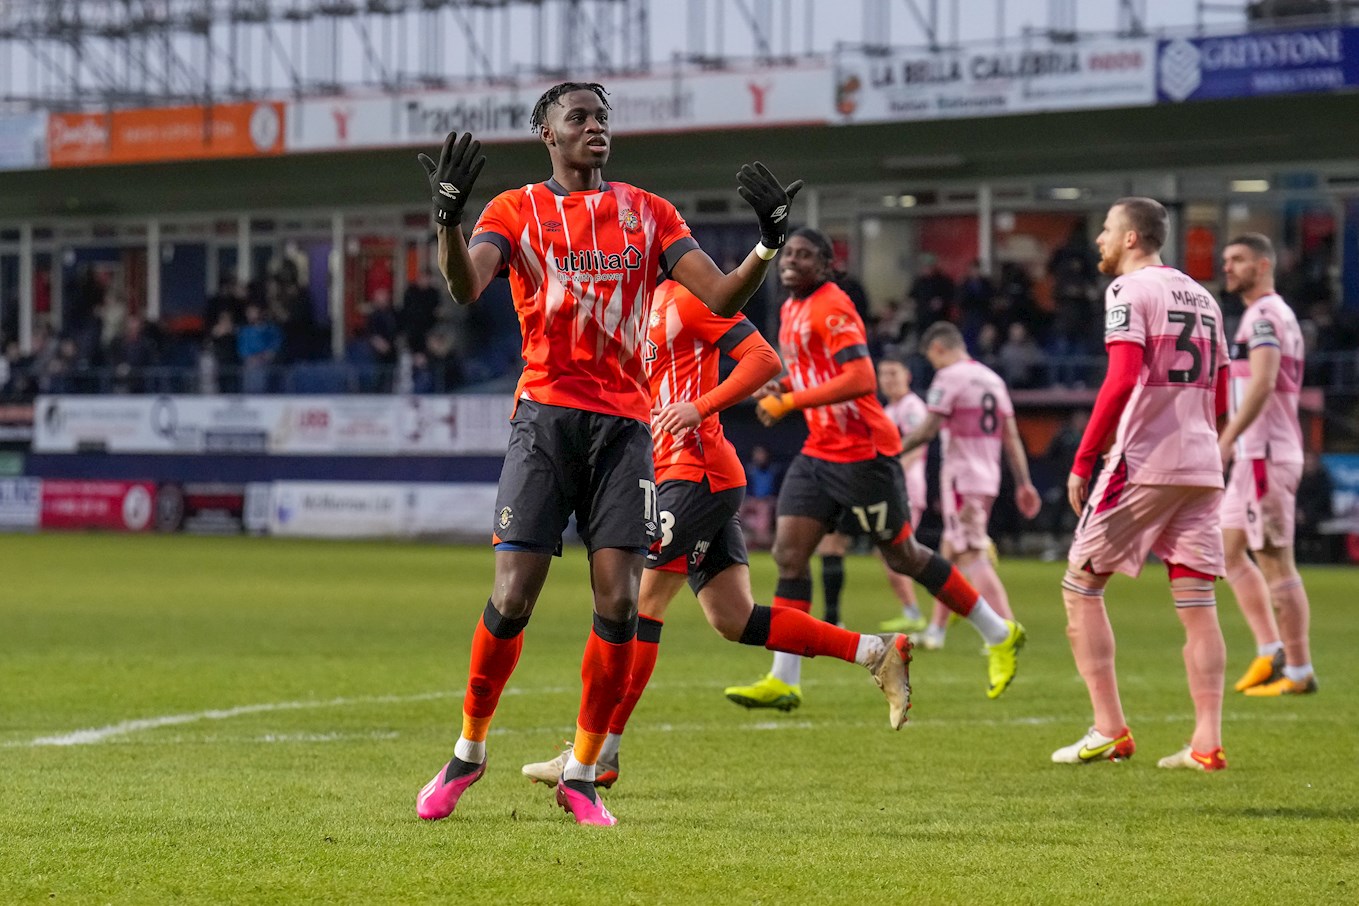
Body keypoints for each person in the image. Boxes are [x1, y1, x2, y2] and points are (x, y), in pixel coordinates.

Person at [411, 81, 804, 827]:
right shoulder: (514, 211)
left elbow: (720, 298)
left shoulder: (649, 213)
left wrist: (765, 243)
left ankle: (583, 773)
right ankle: (468, 751)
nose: (595, 128)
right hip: (545, 420)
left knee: (619, 601)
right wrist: (448, 222)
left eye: (601, 118)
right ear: (547, 136)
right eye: (578, 118)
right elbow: (466, 287)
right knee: (511, 595)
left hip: (627, 429)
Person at [520, 279, 913, 789]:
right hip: (680, 475)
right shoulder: (632, 310)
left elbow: (763, 359)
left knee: (637, 607)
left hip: (696, 472)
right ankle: (875, 652)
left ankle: (593, 757)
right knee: (733, 618)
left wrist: (700, 407)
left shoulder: (688, 297)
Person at [723, 228, 1026, 711]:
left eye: (805, 255)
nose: (791, 261)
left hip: (864, 453)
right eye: (789, 254)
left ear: (827, 266)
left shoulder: (833, 305)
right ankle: (785, 678)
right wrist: (781, 388)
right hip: (821, 449)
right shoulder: (790, 308)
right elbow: (814, 373)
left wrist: (791, 401)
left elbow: (861, 377)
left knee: (905, 555)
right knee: (789, 554)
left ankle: (999, 632)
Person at [1053, 197, 1231, 772]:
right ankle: (1206, 742)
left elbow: (1124, 376)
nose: (1100, 239)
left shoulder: (1130, 292)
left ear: (1132, 237)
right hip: (1203, 463)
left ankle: (1109, 729)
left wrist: (1085, 457)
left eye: (1107, 229)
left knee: (1081, 584)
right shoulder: (1204, 297)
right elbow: (1224, 394)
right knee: (1199, 603)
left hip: (1145, 460)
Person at [898, 321, 1042, 651]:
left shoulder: (950, 378)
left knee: (972, 554)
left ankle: (1007, 630)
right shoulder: (992, 379)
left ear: (938, 349)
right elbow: (1011, 436)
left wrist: (888, 453)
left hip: (961, 478)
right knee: (950, 552)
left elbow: (925, 431)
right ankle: (936, 631)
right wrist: (1024, 483)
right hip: (988, 476)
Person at [1216, 234, 1317, 696]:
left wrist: (1227, 439)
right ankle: (1270, 650)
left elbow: (1262, 383)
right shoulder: (1265, 316)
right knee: (1227, 551)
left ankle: (1298, 671)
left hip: (1265, 454)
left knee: (1276, 561)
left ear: (1263, 264)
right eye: (1226, 261)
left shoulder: (1265, 315)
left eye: (1237, 260)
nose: (1228, 267)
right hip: (1254, 455)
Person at [877, 357, 930, 634]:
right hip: (896, 488)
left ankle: (922, 609)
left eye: (893, 373)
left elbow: (917, 447)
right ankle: (912, 610)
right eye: (883, 374)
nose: (888, 379)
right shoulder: (889, 409)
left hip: (907, 488)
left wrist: (894, 479)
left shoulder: (911, 407)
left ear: (907, 375)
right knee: (891, 551)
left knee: (899, 550)